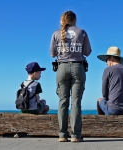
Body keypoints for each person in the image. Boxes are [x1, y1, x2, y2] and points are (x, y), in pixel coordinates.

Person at [49, 11, 92, 142]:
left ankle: (62, 134)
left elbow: (52, 53)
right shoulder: (82, 32)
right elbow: (87, 52)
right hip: (78, 67)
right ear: (75, 20)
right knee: (76, 102)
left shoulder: (56, 33)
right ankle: (76, 135)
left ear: (62, 20)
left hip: (61, 68)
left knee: (62, 102)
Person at [96, 46, 123, 116]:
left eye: (106, 60)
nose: (106, 63)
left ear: (112, 58)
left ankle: (102, 122)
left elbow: (104, 94)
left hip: (113, 110)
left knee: (99, 100)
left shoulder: (107, 70)